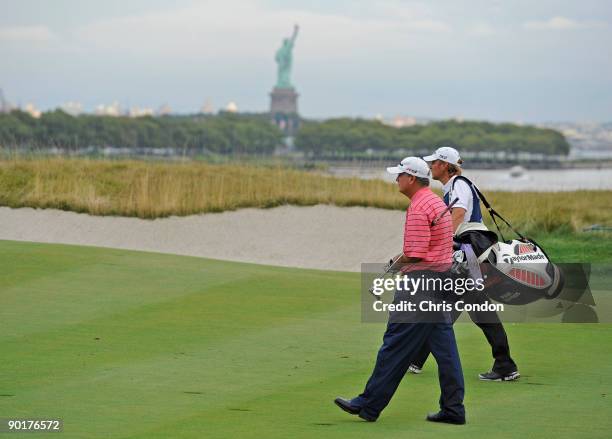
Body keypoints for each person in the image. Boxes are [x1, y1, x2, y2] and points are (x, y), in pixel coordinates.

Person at [334, 157, 466, 425]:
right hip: (440, 282)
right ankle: (453, 408)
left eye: (399, 176)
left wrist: (392, 266)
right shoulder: (434, 200)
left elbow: (414, 255)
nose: (396, 180)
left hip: (419, 287)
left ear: (411, 178)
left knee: (394, 345)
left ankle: (368, 405)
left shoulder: (419, 208)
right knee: (445, 350)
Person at [407, 146, 520, 382]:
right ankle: (417, 358)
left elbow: (458, 214)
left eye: (434, 163)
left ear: (445, 166)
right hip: (467, 254)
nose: (430, 166)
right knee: (454, 308)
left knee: (455, 309)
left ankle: (505, 365)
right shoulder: (454, 185)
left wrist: (440, 240)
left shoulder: (458, 184)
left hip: (468, 253)